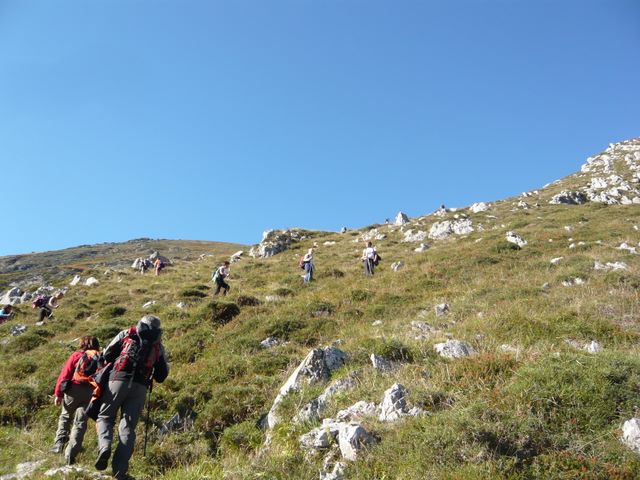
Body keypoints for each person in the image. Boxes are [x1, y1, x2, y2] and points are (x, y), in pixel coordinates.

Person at [95, 315, 169, 480]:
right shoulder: (158, 346)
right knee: (128, 427)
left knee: (105, 417)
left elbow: (107, 354)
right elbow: (162, 375)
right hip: (140, 387)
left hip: (117, 380)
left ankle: (105, 446)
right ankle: (120, 471)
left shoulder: (127, 334)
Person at [51, 336, 102, 464]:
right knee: (80, 423)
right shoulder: (100, 357)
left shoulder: (76, 355)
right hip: (90, 392)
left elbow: (65, 374)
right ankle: (71, 454)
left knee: (65, 416)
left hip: (73, 390)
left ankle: (59, 444)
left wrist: (58, 394)